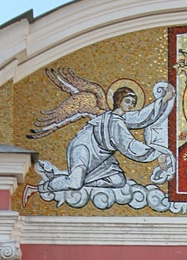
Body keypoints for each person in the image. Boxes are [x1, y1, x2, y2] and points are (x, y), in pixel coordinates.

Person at [22, 83, 175, 204]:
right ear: (118, 101)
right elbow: (129, 145)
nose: (130, 105)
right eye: (127, 101)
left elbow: (142, 117)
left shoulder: (122, 118)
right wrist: (157, 154)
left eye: (133, 102)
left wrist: (163, 100)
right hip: (84, 148)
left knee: (118, 181)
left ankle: (74, 179)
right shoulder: (115, 121)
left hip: (102, 155)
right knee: (75, 183)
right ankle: (39, 188)